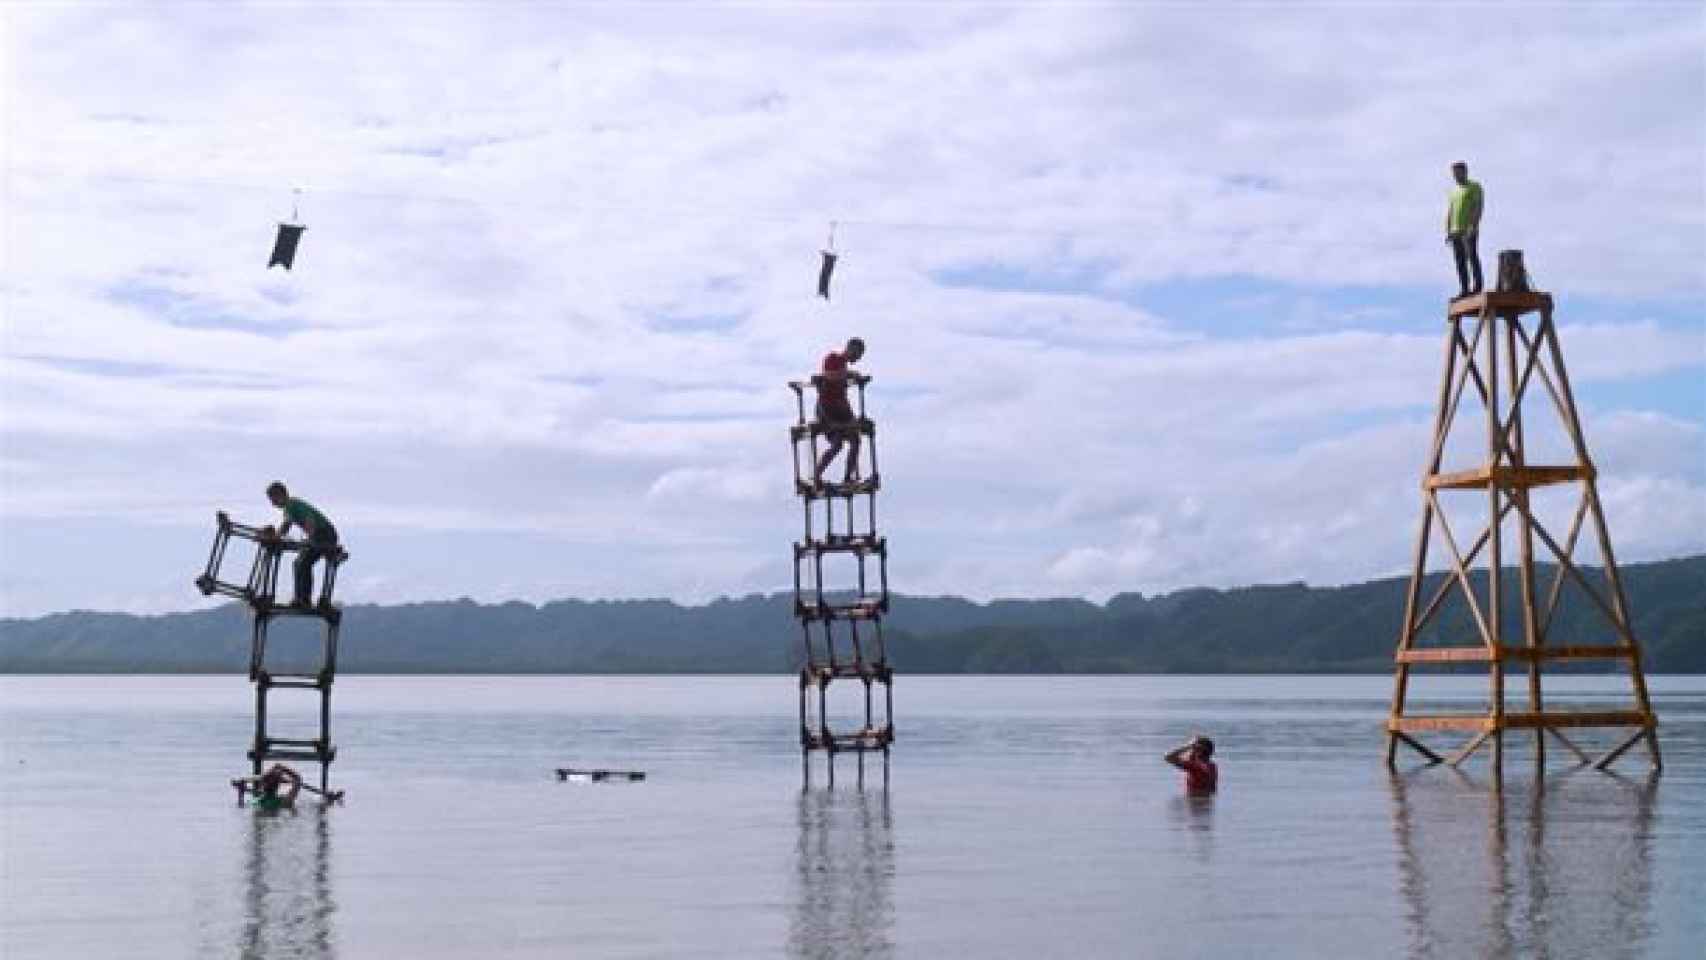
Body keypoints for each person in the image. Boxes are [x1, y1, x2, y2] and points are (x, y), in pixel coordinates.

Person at [265, 482, 339, 609]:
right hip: (324, 534)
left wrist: (310, 538)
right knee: (300, 563)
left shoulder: (291, 504)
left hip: (325, 534)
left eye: (273, 500)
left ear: (280, 495)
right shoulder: (291, 506)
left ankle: (302, 599)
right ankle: (302, 598)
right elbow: (286, 526)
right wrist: (277, 536)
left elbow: (309, 518)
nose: (273, 504)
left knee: (302, 563)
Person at [812, 337, 866, 486]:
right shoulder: (832, 358)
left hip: (841, 408)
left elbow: (840, 382)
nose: (858, 358)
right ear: (851, 349)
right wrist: (849, 375)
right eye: (858, 354)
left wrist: (853, 375)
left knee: (856, 440)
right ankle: (817, 476)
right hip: (826, 408)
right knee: (837, 445)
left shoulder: (844, 367)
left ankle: (847, 478)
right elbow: (829, 376)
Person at [1445, 161, 1484, 299]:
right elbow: (1450, 211)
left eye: (1458, 172)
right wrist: (1448, 230)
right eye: (1454, 173)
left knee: (1471, 256)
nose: (1455, 175)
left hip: (1468, 229)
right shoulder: (1453, 191)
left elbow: (1478, 206)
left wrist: (1473, 226)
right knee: (1459, 261)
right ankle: (1464, 289)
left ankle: (1478, 286)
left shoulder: (1474, 186)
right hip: (1455, 231)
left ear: (1465, 171)